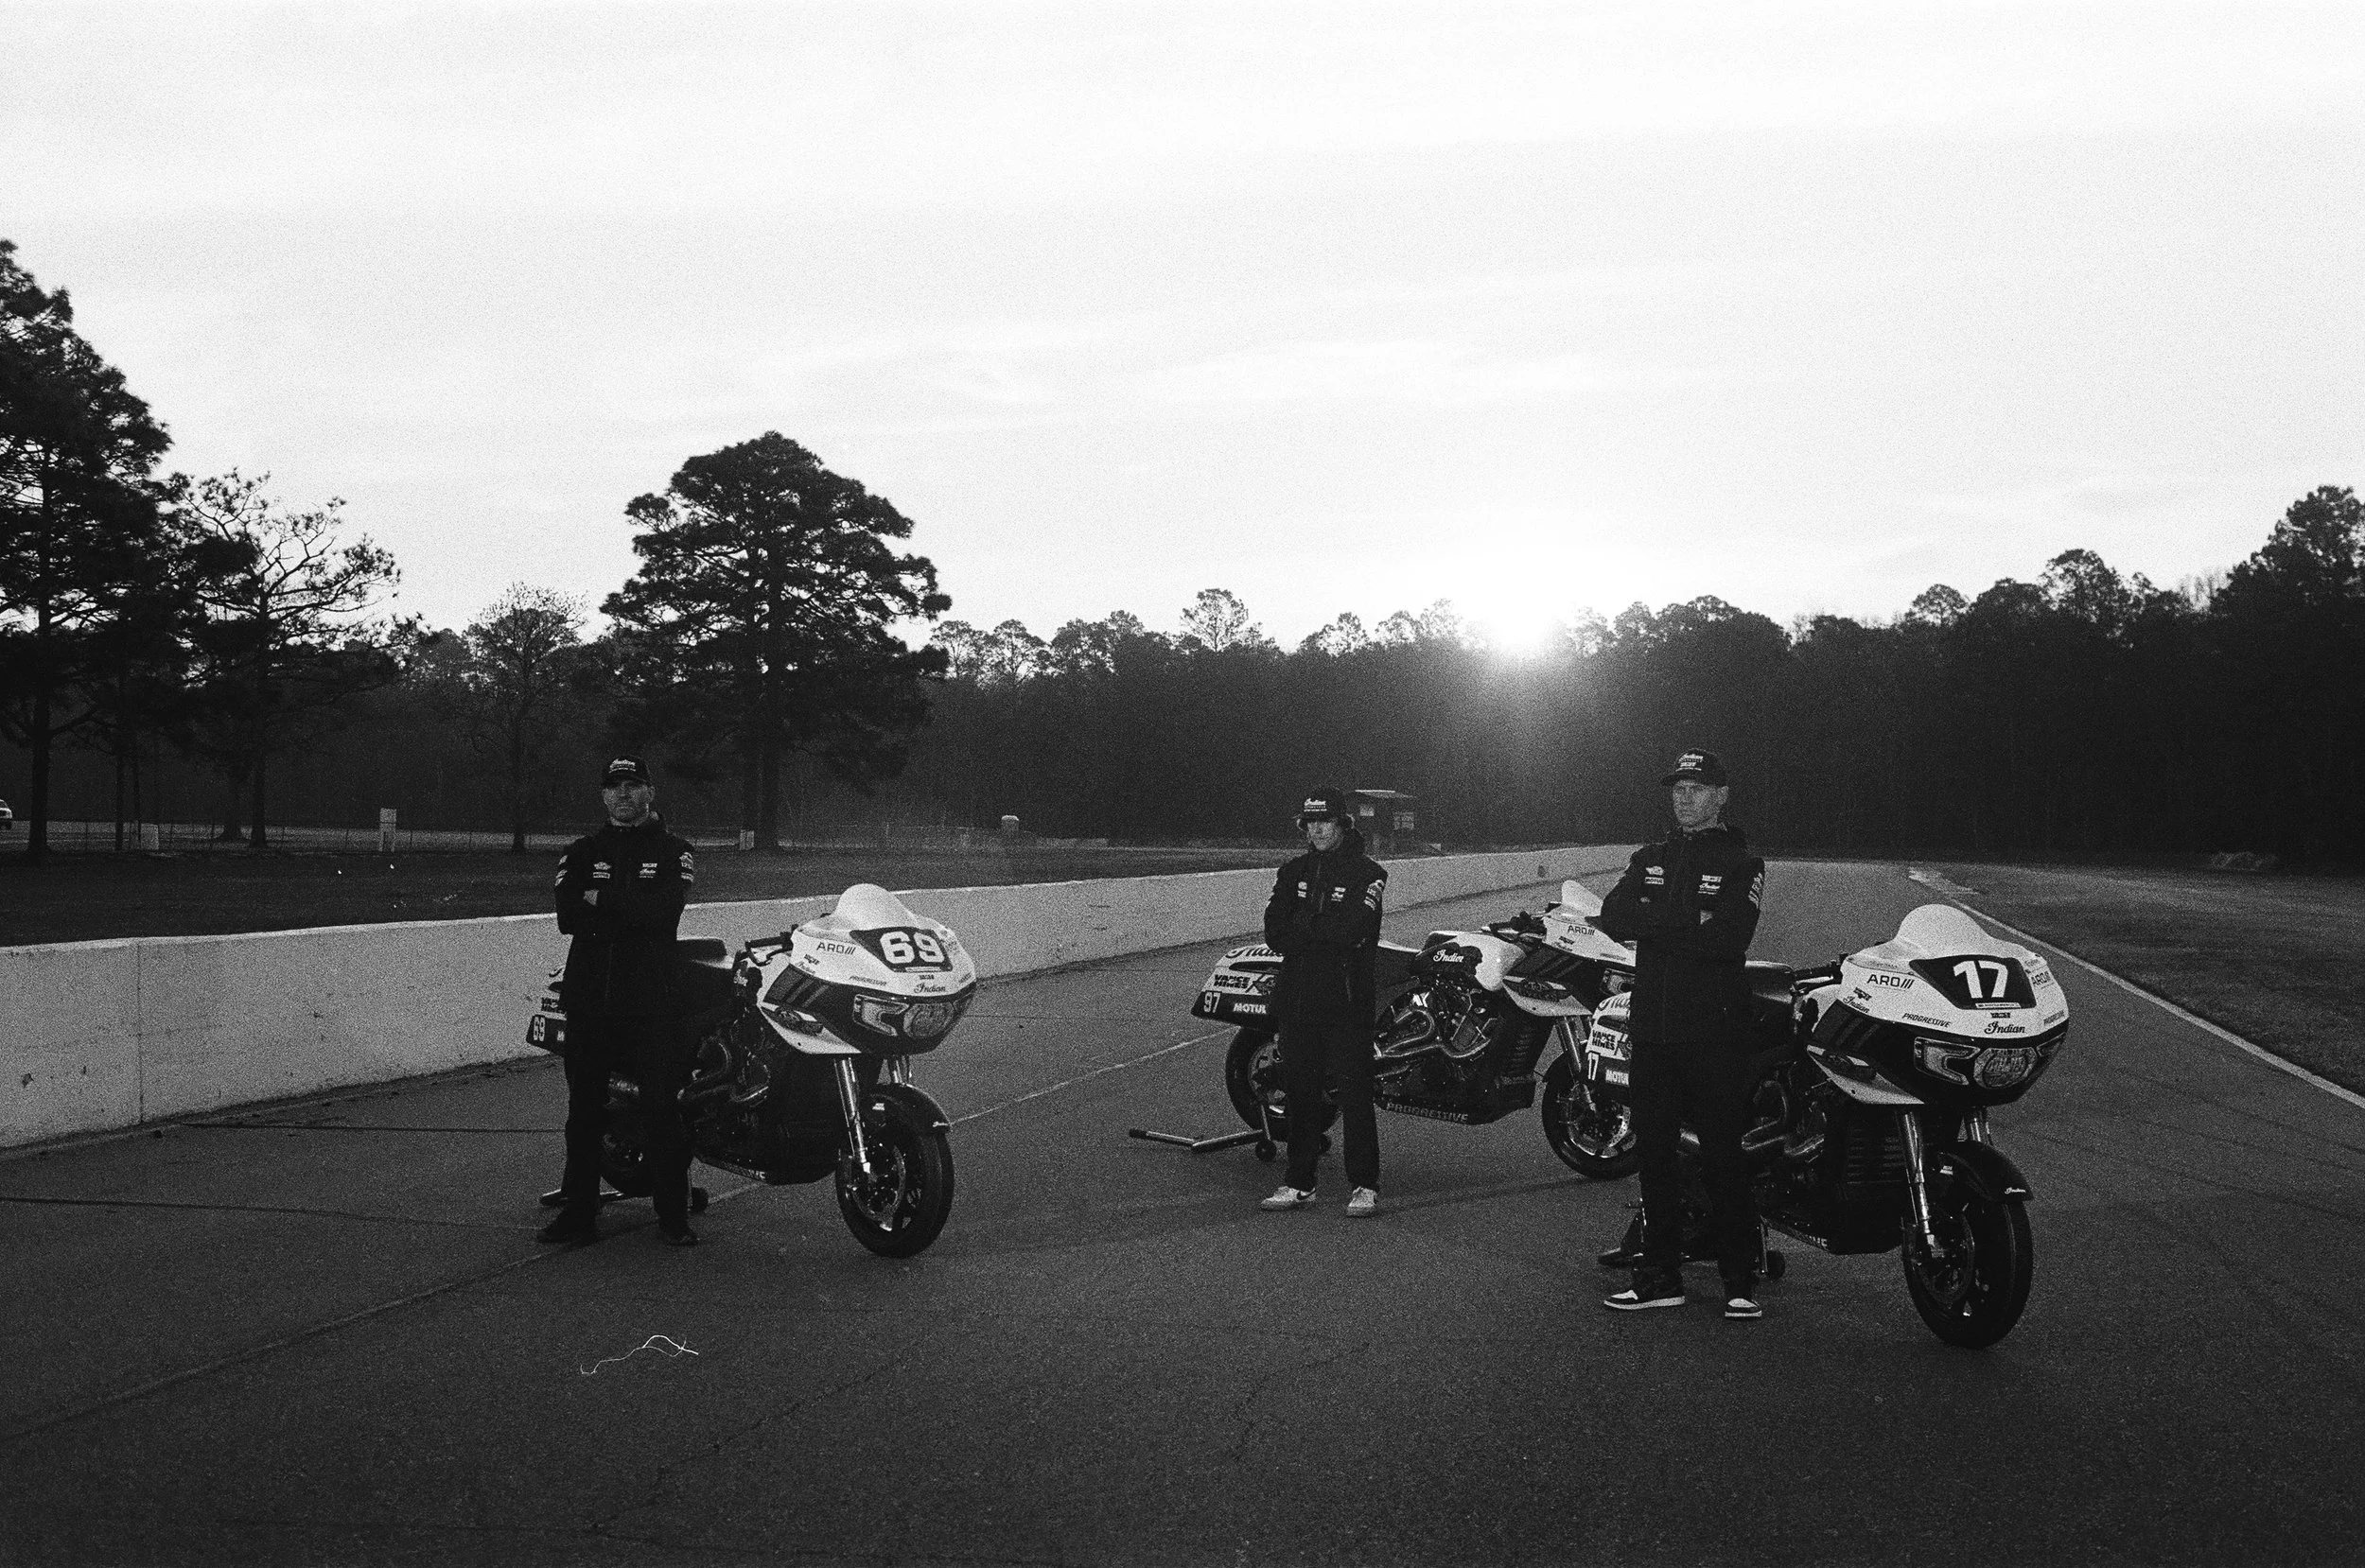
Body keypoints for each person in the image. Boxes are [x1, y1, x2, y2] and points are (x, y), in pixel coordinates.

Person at [1592, 747, 1768, 1320]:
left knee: (1723, 1157)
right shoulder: (1650, 856)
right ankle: (1659, 1275)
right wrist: (1687, 917)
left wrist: (1658, 918)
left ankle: (1740, 1280)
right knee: (1657, 1158)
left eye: (1695, 787)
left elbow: (1729, 939)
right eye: (1677, 788)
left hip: (1714, 1032)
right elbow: (1615, 918)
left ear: (1720, 795)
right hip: (1654, 1031)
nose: (1683, 796)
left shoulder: (1744, 862)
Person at [536, 755, 702, 1247]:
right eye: (614, 787)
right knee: (584, 1112)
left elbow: (663, 914)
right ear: (603, 795)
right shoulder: (581, 850)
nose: (623, 794)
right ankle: (579, 1214)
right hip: (590, 999)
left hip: (653, 1001)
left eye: (633, 785)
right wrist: (625, 906)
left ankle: (673, 1217)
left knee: (661, 1111)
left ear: (650, 792)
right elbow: (568, 916)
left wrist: (599, 900)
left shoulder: (676, 850)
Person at [1256, 787, 1390, 1217]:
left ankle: (1364, 1184)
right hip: (1297, 999)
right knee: (1301, 1094)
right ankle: (1299, 1181)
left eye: (1325, 821)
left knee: (1354, 1095)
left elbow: (1351, 929)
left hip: (1347, 1001)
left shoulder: (1369, 873)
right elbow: (1274, 932)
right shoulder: (1291, 870)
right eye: (1310, 823)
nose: (1316, 830)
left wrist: (1304, 926)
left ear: (1342, 824)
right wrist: (1318, 928)